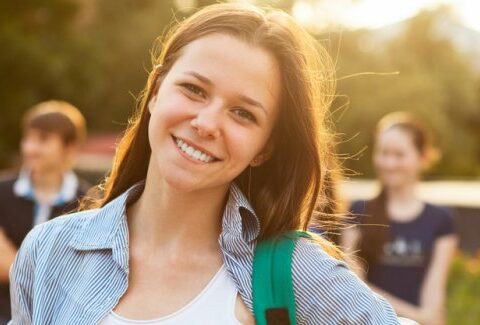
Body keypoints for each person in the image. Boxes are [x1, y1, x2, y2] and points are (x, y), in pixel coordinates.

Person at [9, 4, 400, 324]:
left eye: (243, 114)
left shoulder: (296, 275)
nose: (207, 123)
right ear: (157, 91)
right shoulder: (49, 251)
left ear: (265, 148)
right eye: (194, 90)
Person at [341, 112, 458, 325]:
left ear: (423, 158)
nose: (389, 163)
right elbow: (354, 283)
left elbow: (434, 293)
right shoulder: (358, 211)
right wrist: (416, 318)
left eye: (399, 155)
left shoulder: (441, 220)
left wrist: (427, 318)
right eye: (384, 153)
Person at [0, 100, 89, 322]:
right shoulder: (1, 192)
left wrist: (15, 265)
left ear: (70, 148)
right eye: (28, 138)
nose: (30, 148)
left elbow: (80, 275)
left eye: (43, 140)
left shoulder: (89, 203)